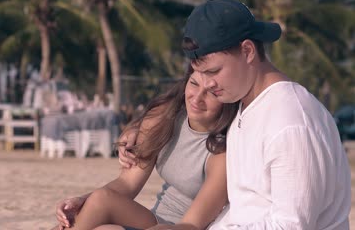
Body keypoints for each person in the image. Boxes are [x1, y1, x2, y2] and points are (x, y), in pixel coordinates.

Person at [121, 0, 351, 229]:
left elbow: (290, 225)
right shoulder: (246, 103)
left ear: (248, 50)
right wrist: (136, 131)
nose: (207, 84)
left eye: (213, 71)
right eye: (199, 73)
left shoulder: (290, 123)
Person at [52, 64, 239, 230]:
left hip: (180, 228)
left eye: (211, 92)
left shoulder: (221, 154)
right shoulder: (164, 117)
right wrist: (81, 201)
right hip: (152, 219)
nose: (197, 98)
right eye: (194, 83)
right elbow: (126, 184)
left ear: (227, 99)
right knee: (100, 202)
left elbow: (191, 225)